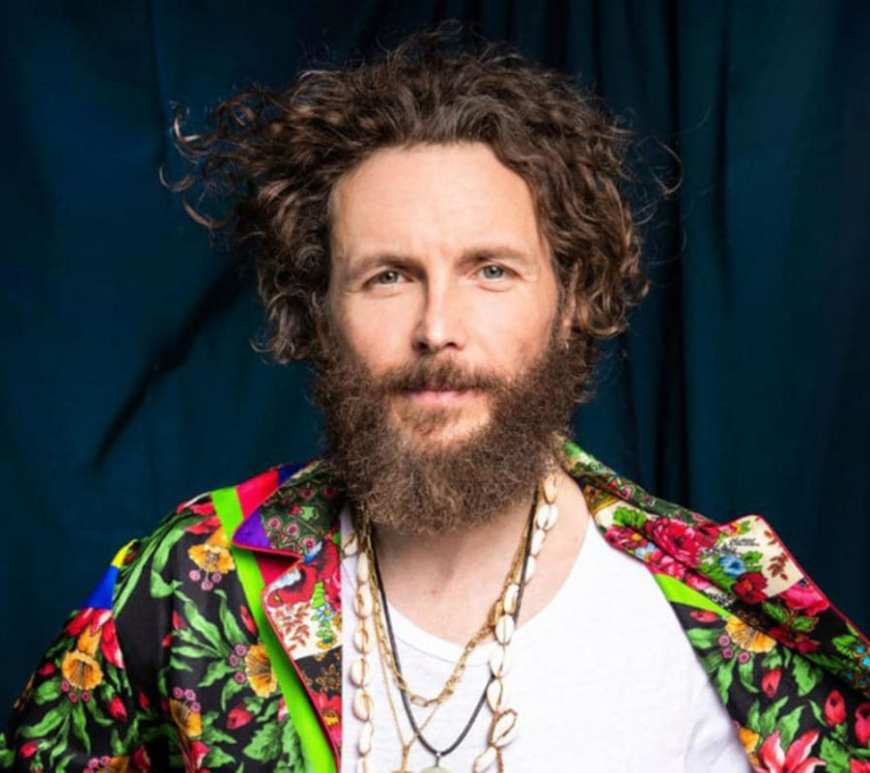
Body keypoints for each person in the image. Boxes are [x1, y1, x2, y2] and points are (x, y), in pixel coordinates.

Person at [3, 26, 868, 773]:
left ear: (571, 298)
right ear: (320, 310)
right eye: (388, 276)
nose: (437, 328)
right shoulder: (192, 587)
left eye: (491, 270)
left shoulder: (721, 632)